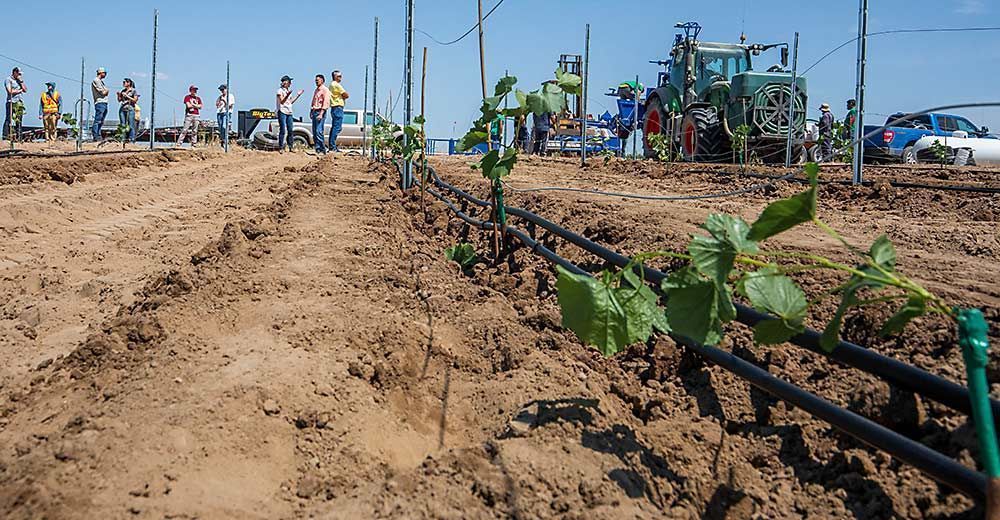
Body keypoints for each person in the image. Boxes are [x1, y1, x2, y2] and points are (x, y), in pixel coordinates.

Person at [276, 76, 303, 153]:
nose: (290, 83)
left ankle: (291, 146)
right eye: (289, 81)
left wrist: (298, 95)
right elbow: (282, 101)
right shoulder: (279, 91)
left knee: (290, 130)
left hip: (289, 111)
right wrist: (287, 95)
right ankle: (281, 147)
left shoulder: (288, 91)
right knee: (282, 130)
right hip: (282, 111)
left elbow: (290, 102)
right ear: (285, 82)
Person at [327, 70, 349, 152]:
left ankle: (332, 145)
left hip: (335, 108)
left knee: (335, 127)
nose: (341, 78)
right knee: (337, 127)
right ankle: (332, 146)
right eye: (339, 76)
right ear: (335, 77)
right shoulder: (336, 85)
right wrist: (343, 96)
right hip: (337, 107)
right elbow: (346, 95)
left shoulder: (331, 85)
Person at [4, 67, 27, 141]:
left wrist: (21, 81)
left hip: (19, 102)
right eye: (19, 74)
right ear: (14, 72)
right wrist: (20, 91)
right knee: (8, 119)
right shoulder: (8, 80)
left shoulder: (19, 81)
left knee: (19, 120)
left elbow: (25, 89)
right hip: (11, 101)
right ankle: (5, 136)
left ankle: (19, 137)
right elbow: (10, 91)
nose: (19, 75)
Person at [310, 74, 331, 155]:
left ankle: (323, 149)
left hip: (320, 112)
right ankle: (317, 148)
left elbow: (326, 102)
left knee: (319, 131)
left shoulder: (325, 90)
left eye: (317, 80)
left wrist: (321, 113)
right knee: (315, 132)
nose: (316, 81)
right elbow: (313, 101)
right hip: (315, 111)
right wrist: (311, 111)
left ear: (322, 80)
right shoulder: (316, 90)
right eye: (315, 80)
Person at [117, 78, 139, 142]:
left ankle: (131, 139)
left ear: (129, 83)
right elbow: (119, 100)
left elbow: (135, 100)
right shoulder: (123, 90)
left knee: (131, 125)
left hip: (130, 109)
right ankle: (122, 139)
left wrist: (127, 96)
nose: (123, 83)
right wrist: (118, 95)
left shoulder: (133, 91)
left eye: (125, 82)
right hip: (122, 109)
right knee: (122, 125)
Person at [91, 67, 109, 141]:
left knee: (101, 120)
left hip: (103, 102)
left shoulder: (100, 81)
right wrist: (107, 91)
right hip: (100, 102)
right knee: (98, 119)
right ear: (101, 73)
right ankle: (96, 135)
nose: (105, 74)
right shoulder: (96, 81)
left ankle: (98, 134)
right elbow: (103, 92)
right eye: (104, 73)